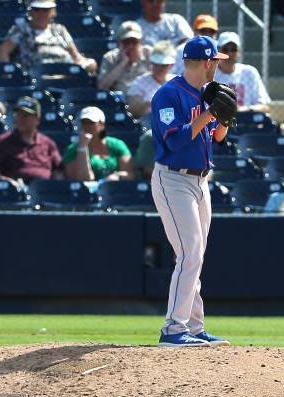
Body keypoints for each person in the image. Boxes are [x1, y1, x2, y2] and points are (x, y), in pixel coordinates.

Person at [150, 36, 235, 347]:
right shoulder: (168, 94)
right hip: (173, 180)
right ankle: (173, 329)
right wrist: (211, 112)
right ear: (206, 62)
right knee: (190, 252)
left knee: (194, 256)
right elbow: (175, 141)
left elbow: (217, 137)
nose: (219, 66)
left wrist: (224, 117)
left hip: (201, 181)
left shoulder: (205, 93)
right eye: (217, 61)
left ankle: (195, 328)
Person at [0, 0, 97, 74]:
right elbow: (3, 50)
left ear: (53, 12)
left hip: (65, 76)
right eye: (36, 9)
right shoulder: (21, 29)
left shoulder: (60, 30)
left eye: (46, 10)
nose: (41, 13)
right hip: (37, 75)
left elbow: (75, 56)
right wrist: (7, 74)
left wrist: (86, 64)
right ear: (30, 11)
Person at [0, 97, 63, 186]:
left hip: (44, 192)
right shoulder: (2, 142)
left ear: (37, 120)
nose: (21, 119)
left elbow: (59, 172)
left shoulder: (48, 144)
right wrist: (7, 182)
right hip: (15, 193)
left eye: (25, 116)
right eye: (18, 115)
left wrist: (55, 186)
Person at [63, 107, 133, 181]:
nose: (87, 126)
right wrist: (82, 148)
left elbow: (130, 174)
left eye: (91, 122)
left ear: (102, 124)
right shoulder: (73, 149)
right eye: (84, 123)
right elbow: (83, 179)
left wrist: (117, 177)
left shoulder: (118, 145)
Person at [214, 32, 271, 113]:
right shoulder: (210, 73)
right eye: (225, 50)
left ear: (239, 51)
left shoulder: (249, 72)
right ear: (218, 51)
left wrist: (245, 109)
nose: (229, 53)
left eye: (233, 49)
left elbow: (265, 107)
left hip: (245, 120)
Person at [127, 40, 176, 124]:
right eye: (156, 64)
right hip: (149, 125)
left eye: (164, 65)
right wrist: (151, 103)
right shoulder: (139, 82)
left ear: (171, 65)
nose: (159, 68)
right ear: (151, 63)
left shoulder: (178, 82)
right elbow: (132, 110)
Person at [97, 21, 153, 94]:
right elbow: (101, 86)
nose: (130, 46)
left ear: (140, 41)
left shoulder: (149, 54)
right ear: (119, 42)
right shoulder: (110, 57)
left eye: (134, 41)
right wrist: (122, 63)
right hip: (119, 101)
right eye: (126, 42)